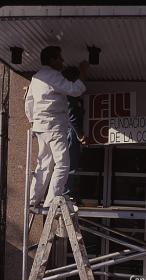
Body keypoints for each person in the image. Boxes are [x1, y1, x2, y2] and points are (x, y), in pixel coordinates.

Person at [25, 46, 89, 210]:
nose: (62, 61)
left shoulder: (37, 77)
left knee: (44, 164)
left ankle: (33, 199)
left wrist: (34, 121)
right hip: (54, 126)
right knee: (62, 164)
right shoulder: (53, 76)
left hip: (40, 126)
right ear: (52, 59)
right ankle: (51, 202)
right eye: (59, 58)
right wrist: (83, 72)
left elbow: (29, 103)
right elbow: (75, 90)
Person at [61, 66, 87, 200]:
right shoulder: (69, 94)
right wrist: (80, 134)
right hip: (70, 131)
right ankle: (66, 194)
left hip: (65, 130)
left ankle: (65, 192)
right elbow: (72, 115)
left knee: (65, 162)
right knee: (70, 163)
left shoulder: (61, 92)